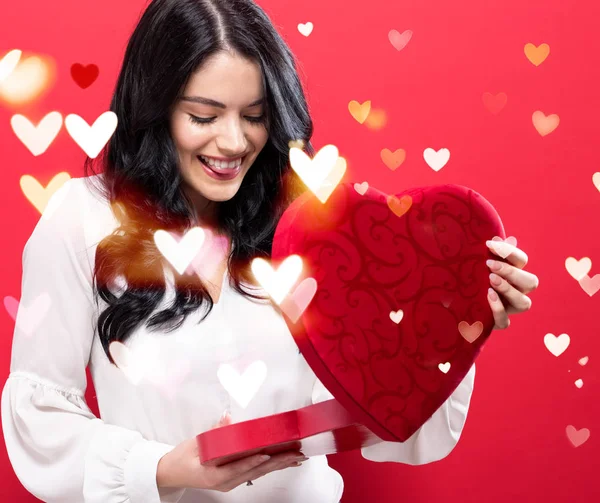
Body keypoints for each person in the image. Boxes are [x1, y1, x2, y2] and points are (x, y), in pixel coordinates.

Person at [1, 0, 540, 502]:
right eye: (204, 116)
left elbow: (399, 430)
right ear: (155, 109)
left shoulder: (313, 226)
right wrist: (163, 467)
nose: (234, 143)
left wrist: (456, 317)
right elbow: (38, 412)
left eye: (255, 116)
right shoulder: (83, 218)